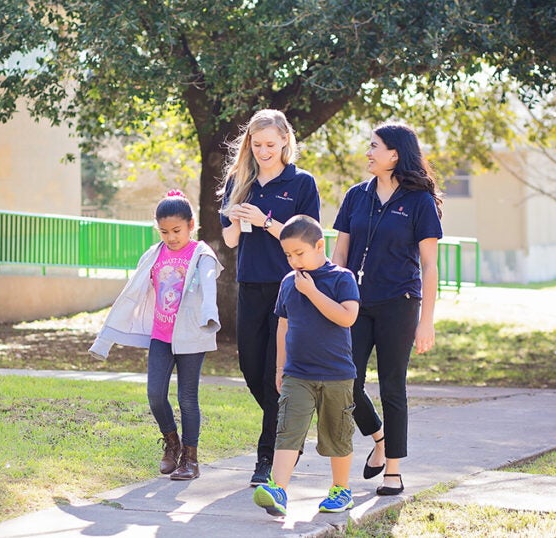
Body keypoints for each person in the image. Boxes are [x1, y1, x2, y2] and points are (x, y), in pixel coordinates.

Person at [331, 122, 443, 496]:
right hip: (355, 304)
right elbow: (340, 253)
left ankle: (393, 469)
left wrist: (426, 320)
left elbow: (429, 265)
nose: (368, 152)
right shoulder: (355, 197)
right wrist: (331, 296)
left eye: (374, 146)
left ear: (394, 154)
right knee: (347, 382)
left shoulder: (419, 202)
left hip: (400, 303)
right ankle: (379, 438)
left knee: (392, 385)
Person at [90, 190, 223, 481]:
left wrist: (209, 312)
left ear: (191, 225)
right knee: (154, 395)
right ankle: (171, 442)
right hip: (161, 336)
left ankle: (191, 458)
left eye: (177, 230)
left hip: (190, 336)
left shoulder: (201, 254)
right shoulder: (154, 254)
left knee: (187, 398)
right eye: (164, 231)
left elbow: (210, 283)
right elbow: (133, 292)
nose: (171, 237)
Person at [218, 109, 321, 486]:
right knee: (250, 369)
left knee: (272, 375)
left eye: (271, 145)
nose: (263, 151)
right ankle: (290, 432)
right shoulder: (239, 180)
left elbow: (307, 242)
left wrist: (265, 221)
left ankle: (267, 459)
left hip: (290, 288)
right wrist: (234, 217)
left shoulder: (302, 183)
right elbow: (230, 240)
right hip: (249, 285)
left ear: (285, 143)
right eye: (257, 144)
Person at [252, 215, 360, 516]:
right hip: (297, 375)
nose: (293, 260)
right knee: (287, 430)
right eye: (288, 255)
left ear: (319, 245)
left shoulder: (342, 278)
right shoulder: (288, 283)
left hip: (337, 375)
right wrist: (279, 368)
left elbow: (347, 317)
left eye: (299, 253)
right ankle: (279, 489)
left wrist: (312, 292)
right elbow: (282, 328)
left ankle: (341, 490)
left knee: (337, 435)